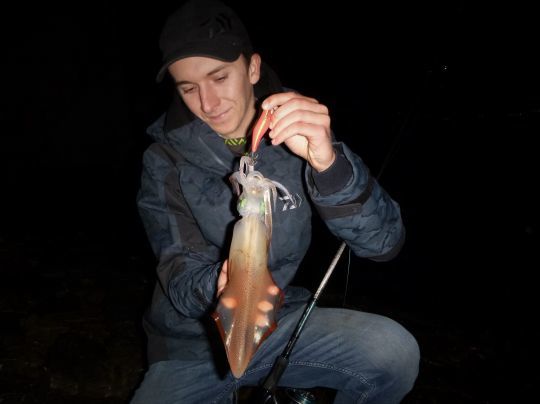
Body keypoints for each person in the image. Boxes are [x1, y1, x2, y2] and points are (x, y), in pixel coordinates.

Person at [131, 0, 420, 402]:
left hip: (277, 326)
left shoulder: (299, 130)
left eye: (219, 77)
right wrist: (216, 286)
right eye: (189, 88)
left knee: (392, 352)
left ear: (251, 68)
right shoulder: (163, 159)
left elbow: (384, 244)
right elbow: (177, 271)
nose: (208, 104)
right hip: (189, 348)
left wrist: (329, 164)